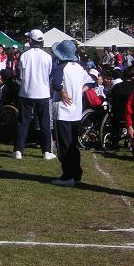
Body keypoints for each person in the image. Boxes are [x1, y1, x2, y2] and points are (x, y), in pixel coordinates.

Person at [51, 40, 94, 187]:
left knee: (64, 145)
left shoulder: (60, 68)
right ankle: (76, 174)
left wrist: (62, 92)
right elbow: (92, 81)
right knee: (73, 145)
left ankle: (67, 176)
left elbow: (56, 84)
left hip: (63, 111)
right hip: (76, 112)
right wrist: (80, 90)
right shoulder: (79, 68)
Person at [13, 29, 55, 160]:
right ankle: (47, 151)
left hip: (26, 92)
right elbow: (48, 74)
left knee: (23, 122)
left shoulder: (24, 55)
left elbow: (20, 74)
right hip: (42, 93)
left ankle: (18, 150)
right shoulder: (48, 56)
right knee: (44, 122)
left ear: (31, 41)